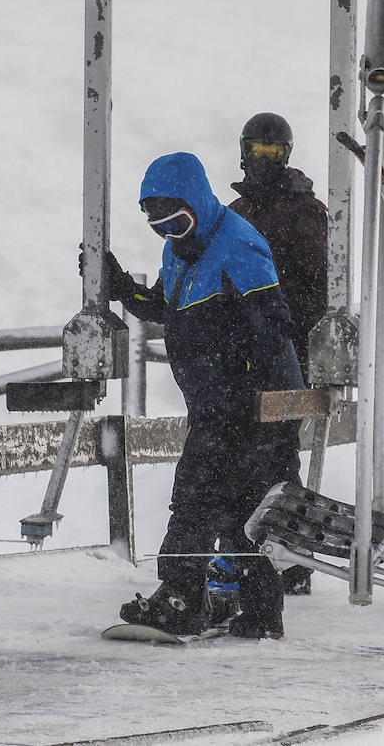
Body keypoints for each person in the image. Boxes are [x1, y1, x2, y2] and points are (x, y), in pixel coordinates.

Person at [104, 152, 304, 638]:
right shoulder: (179, 251)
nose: (169, 234)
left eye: (175, 221)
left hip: (250, 406)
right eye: (157, 226)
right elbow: (171, 309)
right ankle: (259, 611)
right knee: (239, 510)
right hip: (216, 404)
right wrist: (123, 288)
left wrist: (256, 404)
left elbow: (274, 327)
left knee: (196, 499)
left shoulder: (238, 246)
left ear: (195, 202)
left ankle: (180, 597)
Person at [226, 111, 327, 597]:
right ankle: (255, 555)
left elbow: (319, 286)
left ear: (287, 155)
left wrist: (275, 314)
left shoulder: (305, 212)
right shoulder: (235, 212)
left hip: (286, 350)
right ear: (242, 152)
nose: (262, 160)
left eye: (273, 152)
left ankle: (288, 558)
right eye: (256, 151)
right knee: (242, 454)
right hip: (238, 354)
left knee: (275, 455)